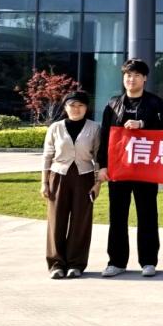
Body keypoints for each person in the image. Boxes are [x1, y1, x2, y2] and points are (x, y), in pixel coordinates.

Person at [97, 59, 163, 278]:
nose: (132, 79)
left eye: (137, 75)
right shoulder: (113, 104)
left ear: (145, 78)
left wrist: (143, 125)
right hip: (119, 169)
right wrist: (102, 166)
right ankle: (116, 261)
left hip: (146, 168)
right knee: (117, 215)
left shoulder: (155, 103)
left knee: (147, 214)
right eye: (128, 75)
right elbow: (104, 136)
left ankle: (148, 261)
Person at [41, 91, 101, 279]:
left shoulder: (94, 128)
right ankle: (56, 264)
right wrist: (44, 182)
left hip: (84, 177)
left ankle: (76, 263)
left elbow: (98, 157)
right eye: (72, 105)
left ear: (86, 108)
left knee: (80, 221)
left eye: (80, 105)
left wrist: (98, 183)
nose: (76, 109)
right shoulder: (55, 128)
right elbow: (47, 156)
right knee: (56, 220)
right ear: (65, 107)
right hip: (58, 176)